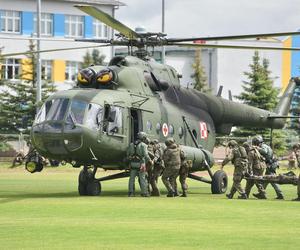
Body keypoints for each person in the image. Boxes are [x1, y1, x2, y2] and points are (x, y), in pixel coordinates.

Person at [252, 135, 284, 200]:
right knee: (266, 179)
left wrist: (257, 148)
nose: (255, 144)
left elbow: (265, 152)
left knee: (272, 180)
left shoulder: (263, 146)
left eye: (255, 143)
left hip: (271, 164)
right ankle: (262, 193)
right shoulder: (263, 145)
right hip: (271, 164)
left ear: (258, 142)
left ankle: (280, 194)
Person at [127, 132, 152, 197]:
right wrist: (150, 160)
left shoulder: (131, 144)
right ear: (143, 138)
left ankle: (131, 193)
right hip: (141, 164)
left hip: (132, 164)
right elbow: (146, 155)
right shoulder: (143, 145)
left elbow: (128, 154)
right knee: (142, 179)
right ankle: (144, 193)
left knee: (131, 179)